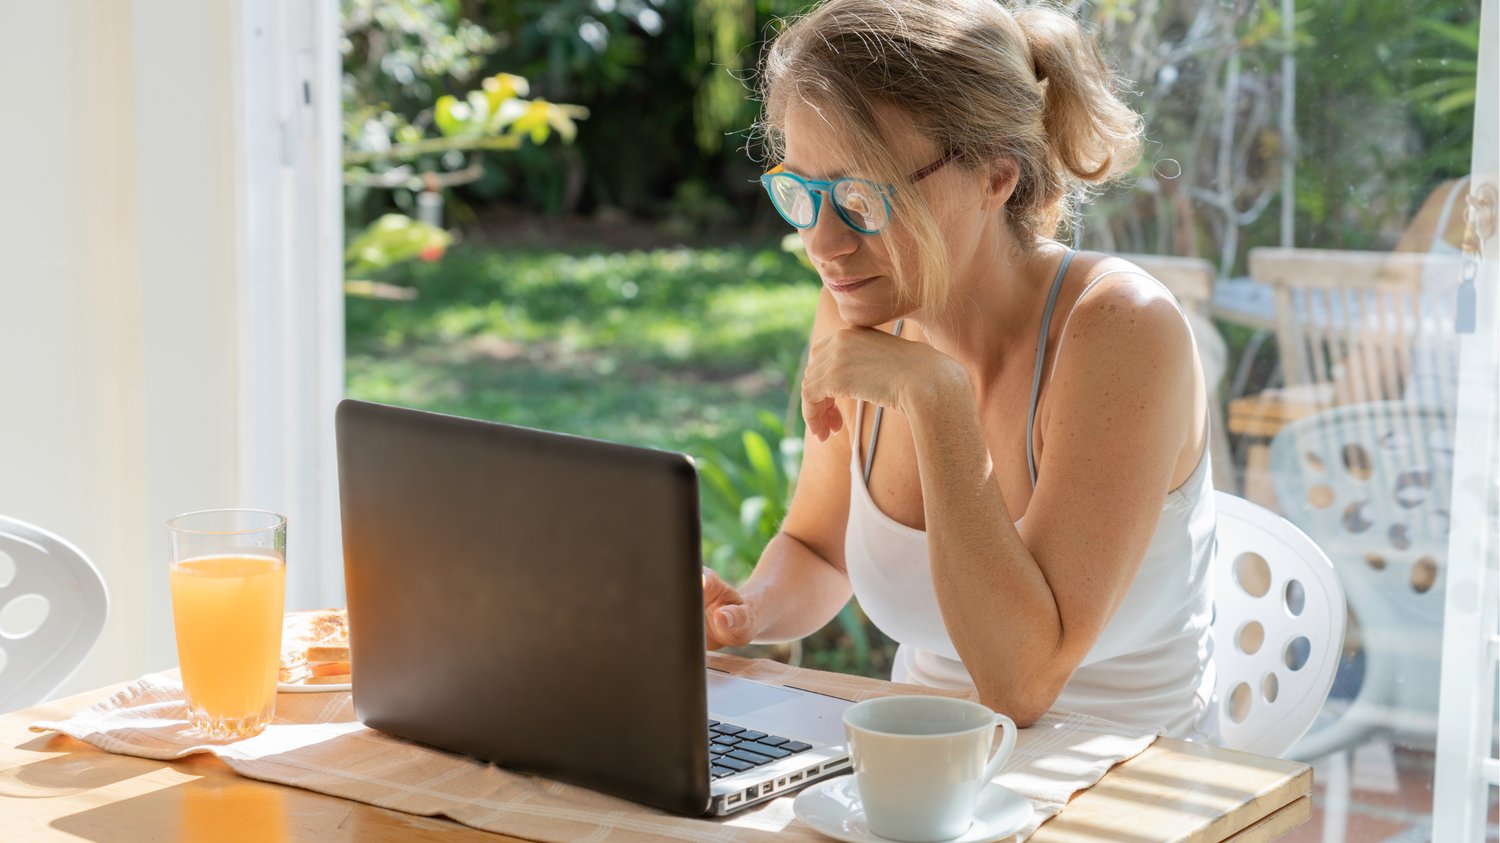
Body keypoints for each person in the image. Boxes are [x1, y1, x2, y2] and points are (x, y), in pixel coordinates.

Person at [701, 0, 1220, 742]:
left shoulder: (1122, 329)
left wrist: (934, 393)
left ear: (995, 176)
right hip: (921, 773)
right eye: (804, 193)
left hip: (1133, 780)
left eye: (860, 198)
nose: (824, 244)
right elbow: (819, 547)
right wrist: (746, 611)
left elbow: (1021, 680)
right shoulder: (861, 304)